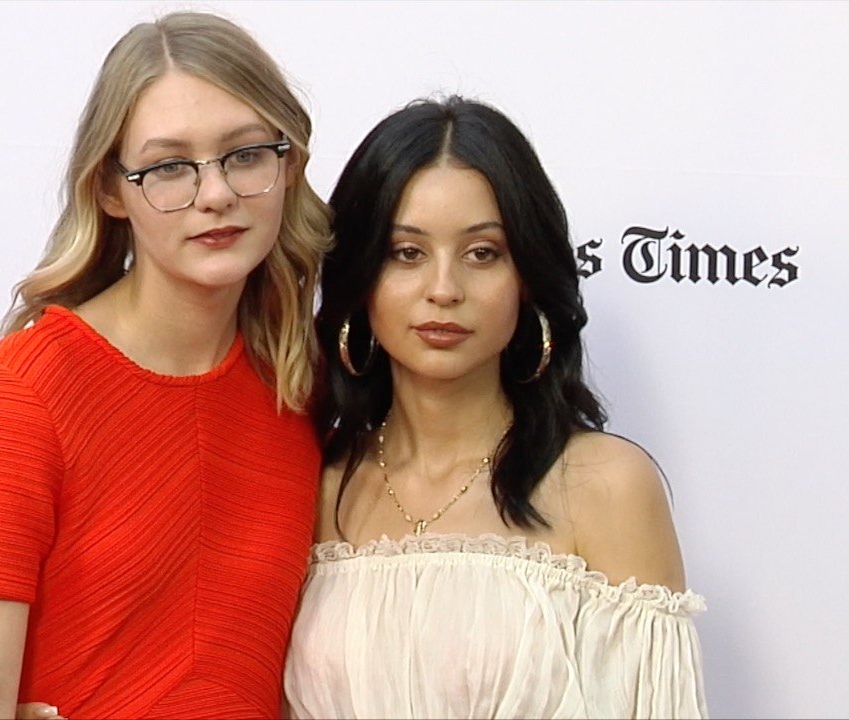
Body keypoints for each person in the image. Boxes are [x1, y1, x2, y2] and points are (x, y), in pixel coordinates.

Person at [0, 11, 331, 719]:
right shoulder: (26, 395)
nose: (215, 194)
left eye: (244, 154)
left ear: (287, 164)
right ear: (111, 189)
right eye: (170, 165)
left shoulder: (304, 384)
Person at [282, 96, 708, 718]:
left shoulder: (605, 487)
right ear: (361, 276)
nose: (444, 290)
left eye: (483, 253)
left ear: (527, 277)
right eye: (407, 253)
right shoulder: (312, 485)